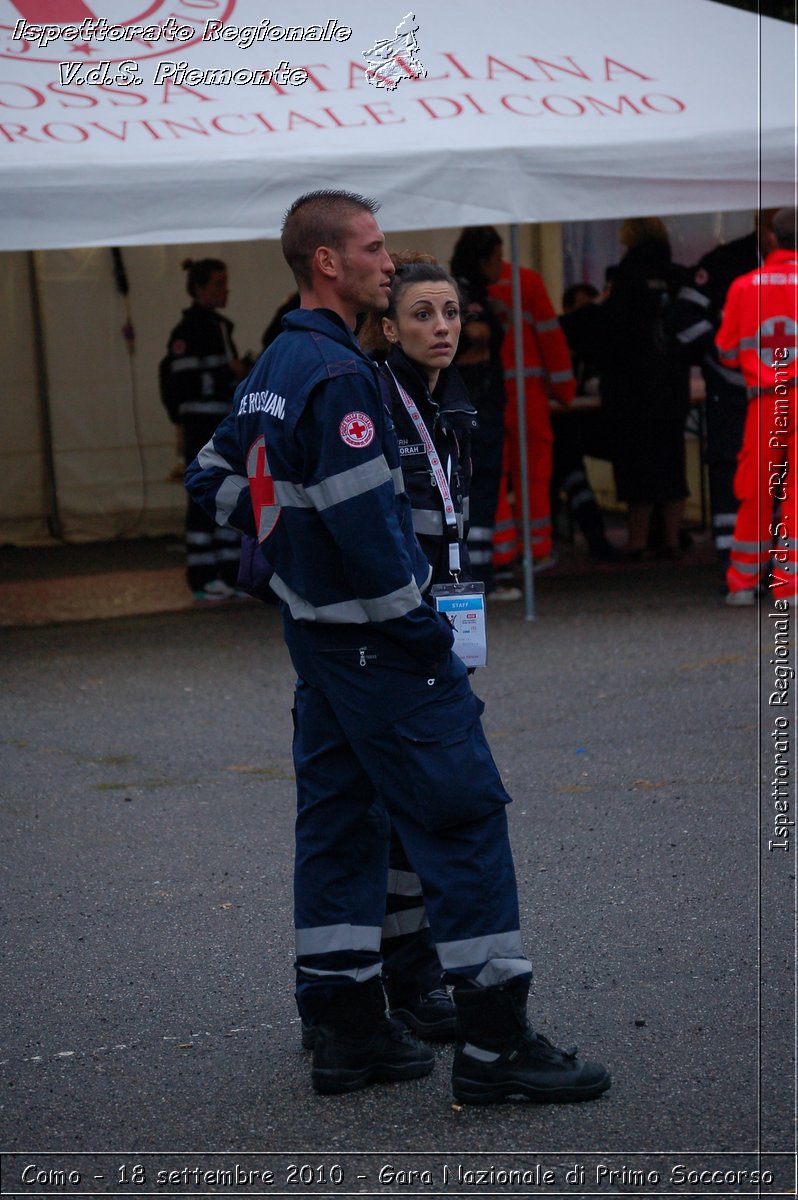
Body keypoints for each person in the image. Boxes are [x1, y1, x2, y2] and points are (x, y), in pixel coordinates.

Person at [185, 189, 610, 1105]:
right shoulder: (337, 375)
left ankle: (345, 1029)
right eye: (375, 251)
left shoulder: (280, 362)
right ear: (327, 264)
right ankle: (497, 1047)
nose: (391, 263)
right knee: (461, 819)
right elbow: (370, 535)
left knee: (340, 825)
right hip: (382, 647)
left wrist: (292, 573)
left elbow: (213, 476)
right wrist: (412, 626)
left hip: (325, 647)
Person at [672, 211, 778, 566]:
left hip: (782, 394)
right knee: (730, 469)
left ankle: (779, 561)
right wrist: (722, 358)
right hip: (732, 392)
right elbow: (686, 320)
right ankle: (734, 558)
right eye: (770, 227)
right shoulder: (725, 264)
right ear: (758, 225)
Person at [596, 218, 692, 560]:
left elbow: (610, 332)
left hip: (632, 387)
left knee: (638, 464)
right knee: (672, 460)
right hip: (674, 383)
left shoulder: (625, 277)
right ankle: (670, 537)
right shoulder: (678, 276)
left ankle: (636, 540)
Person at [716, 206, 798, 606]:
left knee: (756, 491)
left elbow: (727, 352)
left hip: (766, 402)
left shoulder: (744, 287)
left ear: (770, 239)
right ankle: (791, 584)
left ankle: (743, 582)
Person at [160, 258, 246, 601]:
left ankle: (228, 571)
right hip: (202, 425)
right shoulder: (190, 330)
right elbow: (179, 382)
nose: (225, 290)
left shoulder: (219, 326)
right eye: (218, 284)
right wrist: (231, 373)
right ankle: (201, 575)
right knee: (202, 494)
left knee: (227, 490)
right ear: (199, 288)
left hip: (221, 423)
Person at [488, 247, 577, 572]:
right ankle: (536, 548)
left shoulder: (464, 286)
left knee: (490, 475)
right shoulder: (527, 283)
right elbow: (551, 338)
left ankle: (499, 553)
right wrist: (566, 391)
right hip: (528, 396)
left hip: (486, 397)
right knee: (534, 473)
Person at [450, 227, 518, 599]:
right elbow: (473, 334)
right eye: (496, 257)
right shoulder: (465, 294)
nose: (501, 265)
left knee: (480, 489)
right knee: (477, 489)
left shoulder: (470, 292)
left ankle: (482, 572)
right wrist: (480, 339)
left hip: (481, 406)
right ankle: (480, 577)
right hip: (474, 408)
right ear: (482, 259)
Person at [553, 284, 614, 559]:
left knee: (572, 474)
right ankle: (594, 538)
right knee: (571, 474)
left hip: (576, 424)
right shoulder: (559, 336)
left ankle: (594, 537)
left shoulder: (593, 343)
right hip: (556, 425)